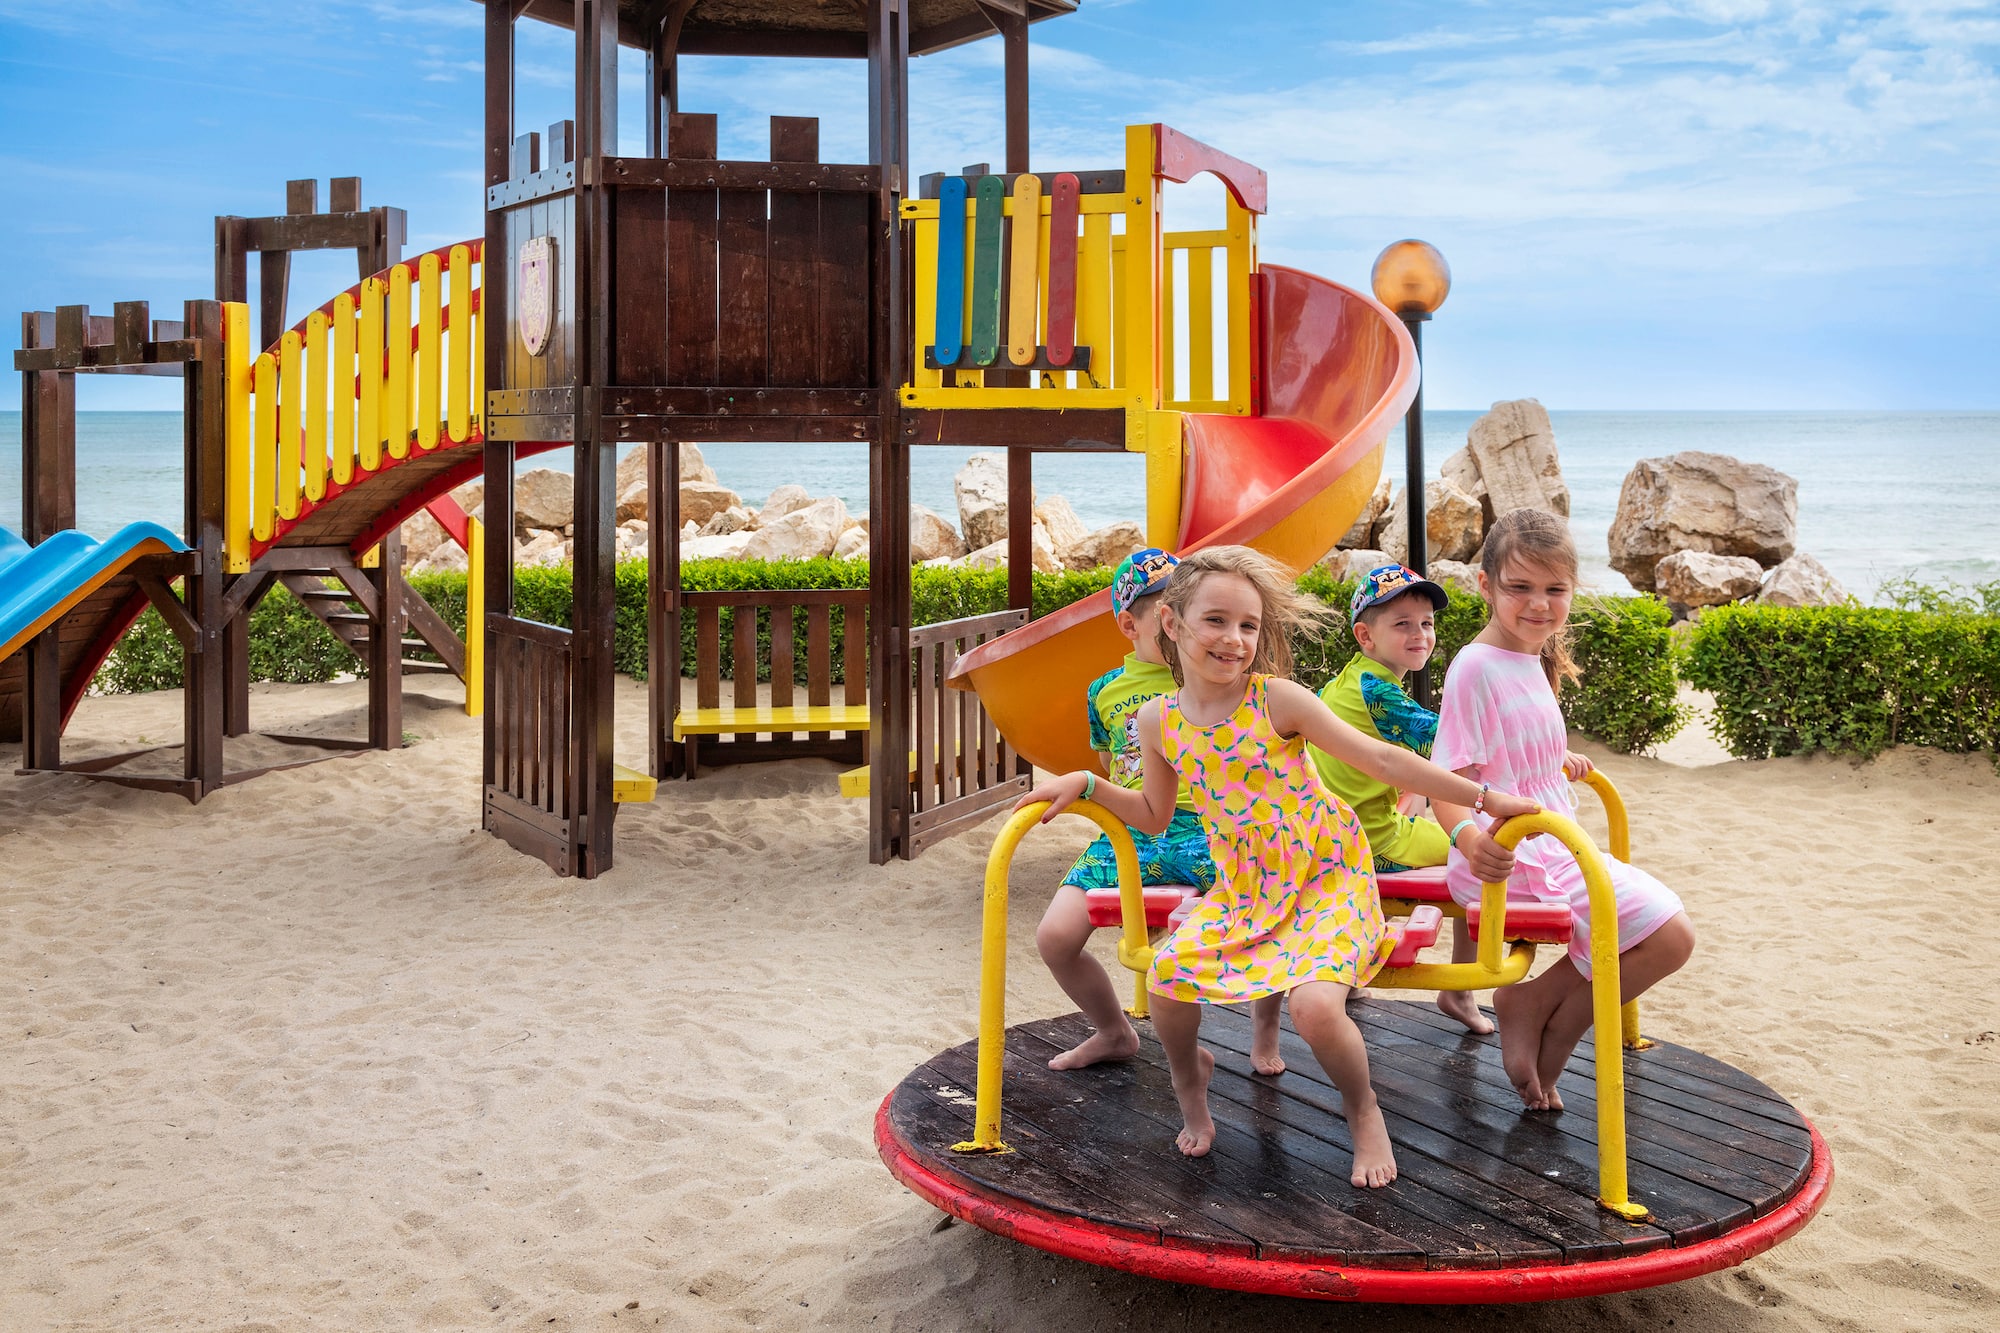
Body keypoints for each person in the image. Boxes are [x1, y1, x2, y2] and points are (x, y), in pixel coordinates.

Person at [1017, 546, 1536, 1186]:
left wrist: (1482, 797)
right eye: (1216, 621)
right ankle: (1191, 1086)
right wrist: (1087, 787)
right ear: (1172, 625)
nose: (1234, 640)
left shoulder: (1276, 700)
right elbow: (1153, 813)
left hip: (1327, 878)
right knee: (1168, 981)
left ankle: (1363, 1109)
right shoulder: (1158, 721)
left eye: (1248, 625)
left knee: (1316, 1009)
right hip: (1245, 888)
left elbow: (1383, 761)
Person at [1429, 508, 1697, 1113]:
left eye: (1555, 590)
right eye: (1519, 588)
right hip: (1507, 854)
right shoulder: (1474, 666)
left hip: (1548, 841)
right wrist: (1472, 842)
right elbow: (1448, 783)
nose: (1538, 605)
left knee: (1666, 935)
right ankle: (1553, 1019)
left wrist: (1557, 760)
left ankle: (1536, 1005)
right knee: (1671, 935)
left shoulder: (1532, 658)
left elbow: (1510, 749)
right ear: (1486, 586)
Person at [1035, 549, 1219, 1071]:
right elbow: (1110, 761)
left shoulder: (1208, 679)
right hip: (1129, 832)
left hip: (1206, 830)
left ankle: (1257, 1034)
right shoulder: (1104, 692)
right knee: (1055, 937)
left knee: (1191, 944)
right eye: (1165, 612)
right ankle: (1114, 1031)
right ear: (1129, 623)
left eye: (1188, 611)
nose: (1177, 625)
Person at [1308, 563, 1495, 1035]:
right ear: (1365, 636)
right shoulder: (1379, 694)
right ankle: (1459, 989)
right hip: (1373, 843)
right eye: (1402, 624)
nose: (1420, 635)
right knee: (1482, 850)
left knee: (1423, 800)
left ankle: (1351, 979)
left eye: (1427, 623)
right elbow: (1452, 744)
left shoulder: (1348, 680)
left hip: (1331, 834)